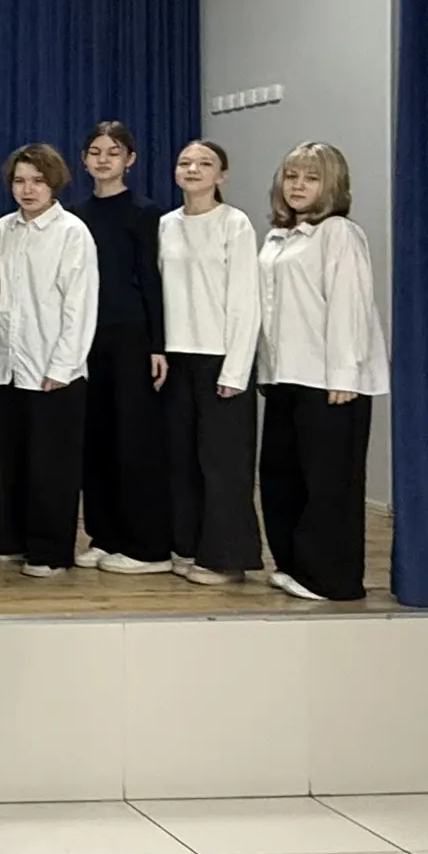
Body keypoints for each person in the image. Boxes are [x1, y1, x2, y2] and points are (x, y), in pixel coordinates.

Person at [257, 142, 389, 602]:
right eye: (292, 176)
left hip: (329, 380)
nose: (298, 185)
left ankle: (331, 579)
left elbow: (350, 306)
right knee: (282, 477)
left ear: (331, 185)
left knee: (329, 484)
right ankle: (294, 565)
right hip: (286, 376)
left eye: (311, 178)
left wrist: (344, 375)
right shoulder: (280, 237)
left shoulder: (339, 233)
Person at [0, 144, 99, 577]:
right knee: (7, 460)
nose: (27, 189)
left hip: (53, 369)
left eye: (37, 181)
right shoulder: (2, 230)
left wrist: (62, 366)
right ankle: (9, 539)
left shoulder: (72, 233)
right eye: (19, 181)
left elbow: (79, 305)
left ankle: (50, 551)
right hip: (4, 365)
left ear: (54, 183)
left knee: (52, 467)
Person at [158, 140, 261, 586]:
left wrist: (236, 369)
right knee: (181, 459)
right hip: (176, 356)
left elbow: (246, 301)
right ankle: (187, 545)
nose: (193, 169)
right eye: (185, 162)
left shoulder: (234, 224)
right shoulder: (165, 224)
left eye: (204, 163)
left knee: (224, 464)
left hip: (220, 356)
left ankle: (226, 558)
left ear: (221, 175)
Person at [74, 122, 172, 575]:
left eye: (113, 152)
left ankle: (147, 545)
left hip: (132, 335)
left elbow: (152, 280)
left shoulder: (145, 212)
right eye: (95, 151)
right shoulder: (75, 215)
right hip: (87, 336)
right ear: (83, 160)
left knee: (134, 440)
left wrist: (157, 344)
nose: (103, 159)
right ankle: (104, 535)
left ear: (129, 159)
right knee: (96, 440)